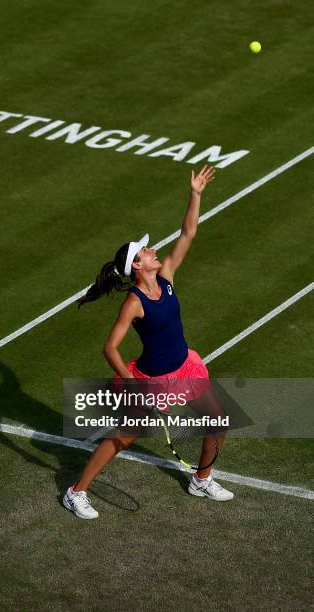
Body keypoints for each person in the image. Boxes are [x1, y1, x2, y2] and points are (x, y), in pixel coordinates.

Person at [63, 165, 233, 520]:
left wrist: (196, 193)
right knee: (124, 438)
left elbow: (188, 232)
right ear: (138, 266)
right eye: (146, 250)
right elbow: (110, 347)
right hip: (151, 380)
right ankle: (75, 492)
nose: (154, 249)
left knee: (218, 422)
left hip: (185, 367)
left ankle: (201, 479)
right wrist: (131, 382)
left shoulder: (167, 276)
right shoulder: (134, 303)